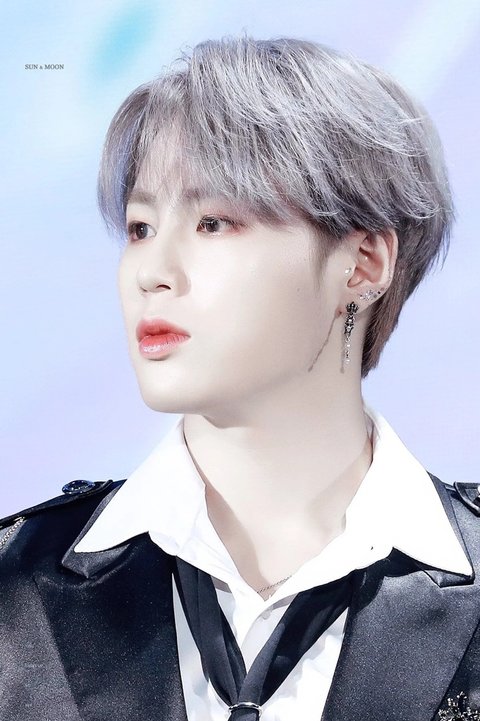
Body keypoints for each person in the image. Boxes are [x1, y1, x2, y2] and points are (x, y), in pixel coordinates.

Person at [1, 36, 479, 721]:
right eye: (140, 227)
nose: (152, 272)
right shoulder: (16, 583)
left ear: (363, 263)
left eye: (213, 222)